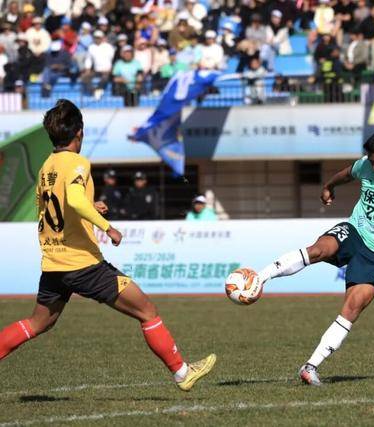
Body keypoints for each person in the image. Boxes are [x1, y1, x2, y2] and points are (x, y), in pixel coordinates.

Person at [0, 99, 215, 391]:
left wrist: (89, 206)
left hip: (53, 263)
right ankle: (182, 372)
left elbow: (54, 208)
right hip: (82, 264)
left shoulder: (46, 167)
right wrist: (107, 227)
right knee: (147, 311)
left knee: (37, 323)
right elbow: (73, 200)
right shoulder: (76, 162)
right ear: (79, 132)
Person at [255, 130, 374, 386]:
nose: (373, 167)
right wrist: (329, 186)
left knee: (354, 306)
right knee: (319, 249)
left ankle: (310, 367)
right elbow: (347, 173)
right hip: (354, 231)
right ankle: (259, 278)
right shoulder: (366, 165)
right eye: (371, 162)